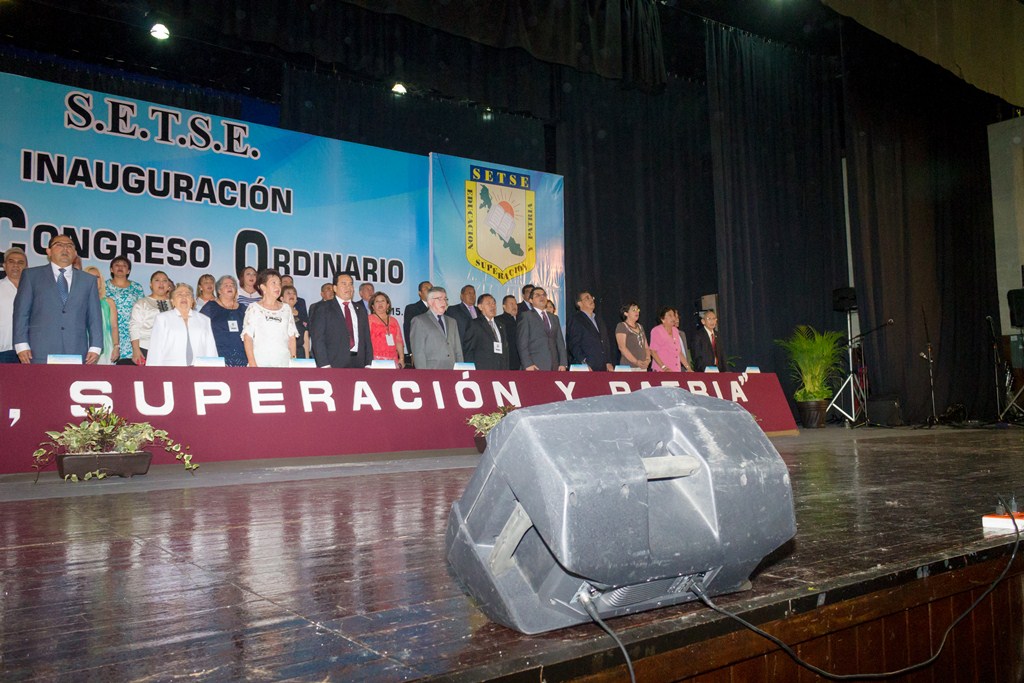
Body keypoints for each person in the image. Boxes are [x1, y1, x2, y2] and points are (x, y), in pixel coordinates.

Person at [12, 235, 102, 364]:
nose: (65, 249)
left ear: (75, 253)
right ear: (48, 251)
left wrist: (95, 346)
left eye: (69, 246)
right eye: (59, 245)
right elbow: (21, 313)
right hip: (38, 350)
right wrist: (21, 344)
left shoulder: (88, 280)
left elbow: (94, 317)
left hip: (76, 349)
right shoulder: (31, 276)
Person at [309, 273, 372, 368]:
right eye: (344, 284)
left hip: (359, 363)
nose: (348, 287)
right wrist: (324, 365)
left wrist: (368, 364)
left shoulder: (361, 309)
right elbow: (318, 339)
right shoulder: (323, 308)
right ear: (335, 288)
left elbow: (366, 339)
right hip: (333, 363)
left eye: (350, 284)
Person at [147, 284, 217, 366]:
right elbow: (155, 349)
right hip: (170, 369)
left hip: (200, 369)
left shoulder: (204, 320)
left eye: (187, 294)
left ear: (192, 300)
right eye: (179, 294)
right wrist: (153, 372)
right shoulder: (162, 319)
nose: (184, 297)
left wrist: (214, 370)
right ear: (172, 301)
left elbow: (211, 349)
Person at [242, 269, 297, 367]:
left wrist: (293, 360)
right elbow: (248, 338)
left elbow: (292, 337)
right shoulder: (254, 308)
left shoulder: (286, 308)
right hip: (260, 363)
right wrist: (252, 364)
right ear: (263, 287)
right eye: (273, 283)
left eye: (279, 283)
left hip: (284, 363)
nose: (278, 287)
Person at [409, 286, 463, 369]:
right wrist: (423, 374)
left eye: (445, 299)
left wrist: (461, 370)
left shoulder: (452, 322)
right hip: (431, 370)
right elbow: (418, 352)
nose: (444, 302)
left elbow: (458, 350)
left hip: (452, 370)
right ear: (430, 302)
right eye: (440, 299)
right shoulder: (419, 321)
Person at [200, 275, 248, 367]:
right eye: (226, 285)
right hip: (217, 356)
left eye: (232, 285)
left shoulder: (243, 308)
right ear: (219, 290)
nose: (230, 287)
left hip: (242, 357)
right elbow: (201, 330)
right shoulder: (210, 307)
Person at [517, 287, 567, 371]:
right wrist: (527, 364)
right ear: (531, 300)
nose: (542, 297)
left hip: (555, 366)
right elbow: (522, 342)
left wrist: (563, 363)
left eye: (544, 295)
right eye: (537, 295)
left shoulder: (554, 318)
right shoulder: (526, 316)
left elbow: (560, 342)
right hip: (534, 366)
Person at [105, 255, 144, 361]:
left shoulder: (137, 287)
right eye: (117, 265)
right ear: (111, 269)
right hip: (110, 332)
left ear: (128, 271)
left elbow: (142, 311)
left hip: (132, 334)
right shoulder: (104, 286)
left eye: (124, 265)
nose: (120, 267)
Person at [129, 271, 173, 363]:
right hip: (146, 348)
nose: (161, 283)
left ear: (168, 285)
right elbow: (134, 327)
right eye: (157, 280)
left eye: (164, 281)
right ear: (150, 284)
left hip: (170, 350)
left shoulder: (174, 304)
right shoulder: (142, 303)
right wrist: (136, 350)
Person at [566, 290, 613, 371]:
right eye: (587, 298)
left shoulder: (599, 320)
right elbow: (574, 344)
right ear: (579, 303)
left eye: (592, 298)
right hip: (586, 367)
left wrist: (608, 361)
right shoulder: (576, 319)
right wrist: (584, 362)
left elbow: (605, 342)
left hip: (602, 367)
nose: (591, 300)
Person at [464, 293, 510, 370]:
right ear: (480, 307)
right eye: (488, 303)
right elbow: (468, 351)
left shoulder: (501, 325)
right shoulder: (475, 324)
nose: (492, 306)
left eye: (494, 303)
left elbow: (505, 351)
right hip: (482, 371)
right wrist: (471, 371)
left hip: (501, 370)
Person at [84, 266, 119, 365]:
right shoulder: (79, 302)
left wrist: (116, 347)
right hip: (84, 347)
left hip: (106, 349)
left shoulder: (109, 302)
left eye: (97, 277)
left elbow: (114, 326)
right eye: (90, 277)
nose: (94, 280)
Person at [0, 247, 28, 363]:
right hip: (3, 350)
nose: (16, 265)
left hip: (28, 351)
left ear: (26, 267)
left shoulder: (34, 290)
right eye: (11, 262)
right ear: (4, 265)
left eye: (20, 262)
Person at [649, 307, 693, 372]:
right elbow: (653, 351)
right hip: (661, 371)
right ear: (662, 319)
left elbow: (679, 352)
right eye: (670, 315)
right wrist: (664, 367)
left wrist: (688, 368)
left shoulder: (675, 331)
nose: (673, 318)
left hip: (676, 370)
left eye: (673, 315)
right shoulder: (656, 331)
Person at [368, 291, 405, 368]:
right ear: (373, 306)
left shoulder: (394, 320)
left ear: (388, 305)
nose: (380, 303)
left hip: (393, 360)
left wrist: (401, 358)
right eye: (377, 301)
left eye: (383, 301)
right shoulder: (369, 319)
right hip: (375, 360)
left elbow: (399, 341)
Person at [615, 302, 651, 370]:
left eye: (638, 310)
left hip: (642, 367)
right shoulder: (622, 326)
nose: (637, 312)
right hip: (628, 367)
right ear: (626, 313)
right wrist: (636, 362)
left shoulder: (640, 327)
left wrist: (648, 359)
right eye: (634, 310)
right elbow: (622, 347)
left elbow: (646, 347)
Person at [403, 279, 432, 361]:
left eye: (431, 288)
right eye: (426, 288)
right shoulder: (412, 308)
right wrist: (411, 352)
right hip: (420, 352)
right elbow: (408, 331)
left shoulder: (439, 309)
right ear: (420, 293)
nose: (430, 290)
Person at [447, 284, 478, 356]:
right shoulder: (453, 310)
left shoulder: (480, 311)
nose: (472, 295)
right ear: (461, 296)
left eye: (474, 293)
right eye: (469, 293)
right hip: (462, 351)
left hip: (479, 351)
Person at [281, 284, 310, 359]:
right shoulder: (279, 314)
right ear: (282, 298)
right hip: (283, 352)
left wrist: (307, 359)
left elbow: (306, 339)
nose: (292, 295)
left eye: (294, 293)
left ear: (297, 299)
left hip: (300, 353)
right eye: (288, 293)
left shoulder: (302, 316)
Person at [497, 294, 521, 370]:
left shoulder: (522, 319)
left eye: (515, 304)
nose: (514, 306)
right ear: (504, 306)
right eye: (511, 304)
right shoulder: (498, 321)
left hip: (522, 360)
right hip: (508, 360)